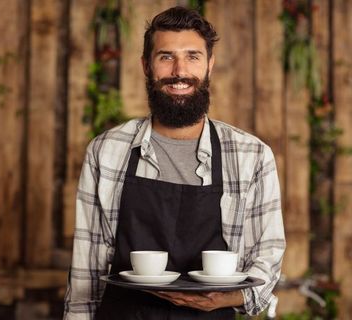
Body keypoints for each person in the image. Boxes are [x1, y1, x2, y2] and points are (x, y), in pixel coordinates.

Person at [64, 6, 285, 319]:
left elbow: (268, 254)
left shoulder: (252, 155)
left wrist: (224, 300)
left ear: (210, 65)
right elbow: (86, 269)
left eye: (193, 56)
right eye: (166, 56)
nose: (179, 70)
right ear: (146, 65)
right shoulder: (107, 150)